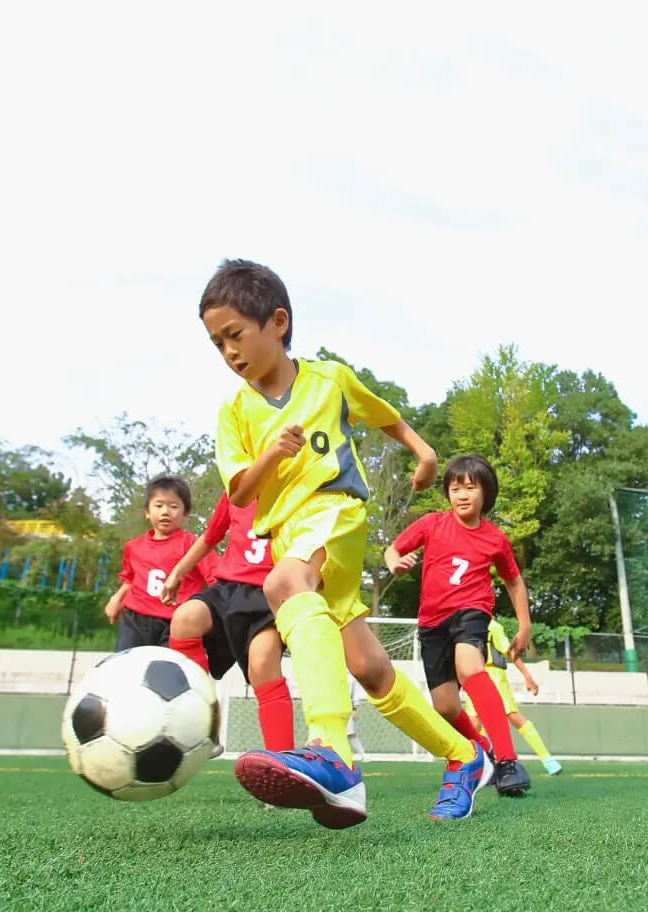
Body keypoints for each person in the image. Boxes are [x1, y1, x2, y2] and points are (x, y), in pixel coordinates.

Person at [200, 258, 492, 828]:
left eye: (235, 334)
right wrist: (270, 455)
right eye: (217, 344)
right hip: (290, 530)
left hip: (337, 511)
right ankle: (464, 756)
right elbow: (238, 491)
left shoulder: (329, 380)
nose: (229, 352)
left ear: (277, 322)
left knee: (283, 583)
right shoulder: (233, 411)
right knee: (368, 666)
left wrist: (425, 451)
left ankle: (332, 750)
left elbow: (384, 416)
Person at [384, 454, 533, 797]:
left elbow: (514, 582)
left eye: (470, 487)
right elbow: (392, 549)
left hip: (470, 611)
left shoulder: (495, 539)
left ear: (486, 493)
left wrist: (524, 625)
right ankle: (488, 755)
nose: (462, 494)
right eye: (455, 488)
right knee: (446, 707)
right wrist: (395, 564)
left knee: (470, 668)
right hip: (432, 622)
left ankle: (510, 761)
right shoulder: (432, 523)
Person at [161, 492, 294, 752]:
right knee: (185, 618)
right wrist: (177, 573)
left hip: (269, 595)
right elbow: (210, 537)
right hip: (228, 589)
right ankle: (202, 729)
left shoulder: (300, 488)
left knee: (263, 660)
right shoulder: (237, 489)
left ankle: (284, 759)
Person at [103, 476, 207, 650]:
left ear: (185, 513)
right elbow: (130, 579)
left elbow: (215, 579)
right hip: (136, 620)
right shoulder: (134, 546)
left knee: (168, 671)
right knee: (127, 667)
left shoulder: (195, 546)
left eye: (173, 506)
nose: (165, 512)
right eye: (158, 506)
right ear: (147, 511)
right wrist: (116, 599)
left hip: (176, 622)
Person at [464, 617, 562, 776]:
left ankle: (547, 759)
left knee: (512, 715)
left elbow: (510, 652)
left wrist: (527, 676)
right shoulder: (467, 624)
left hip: (494, 674)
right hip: (473, 675)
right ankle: (486, 766)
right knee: (474, 724)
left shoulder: (494, 626)